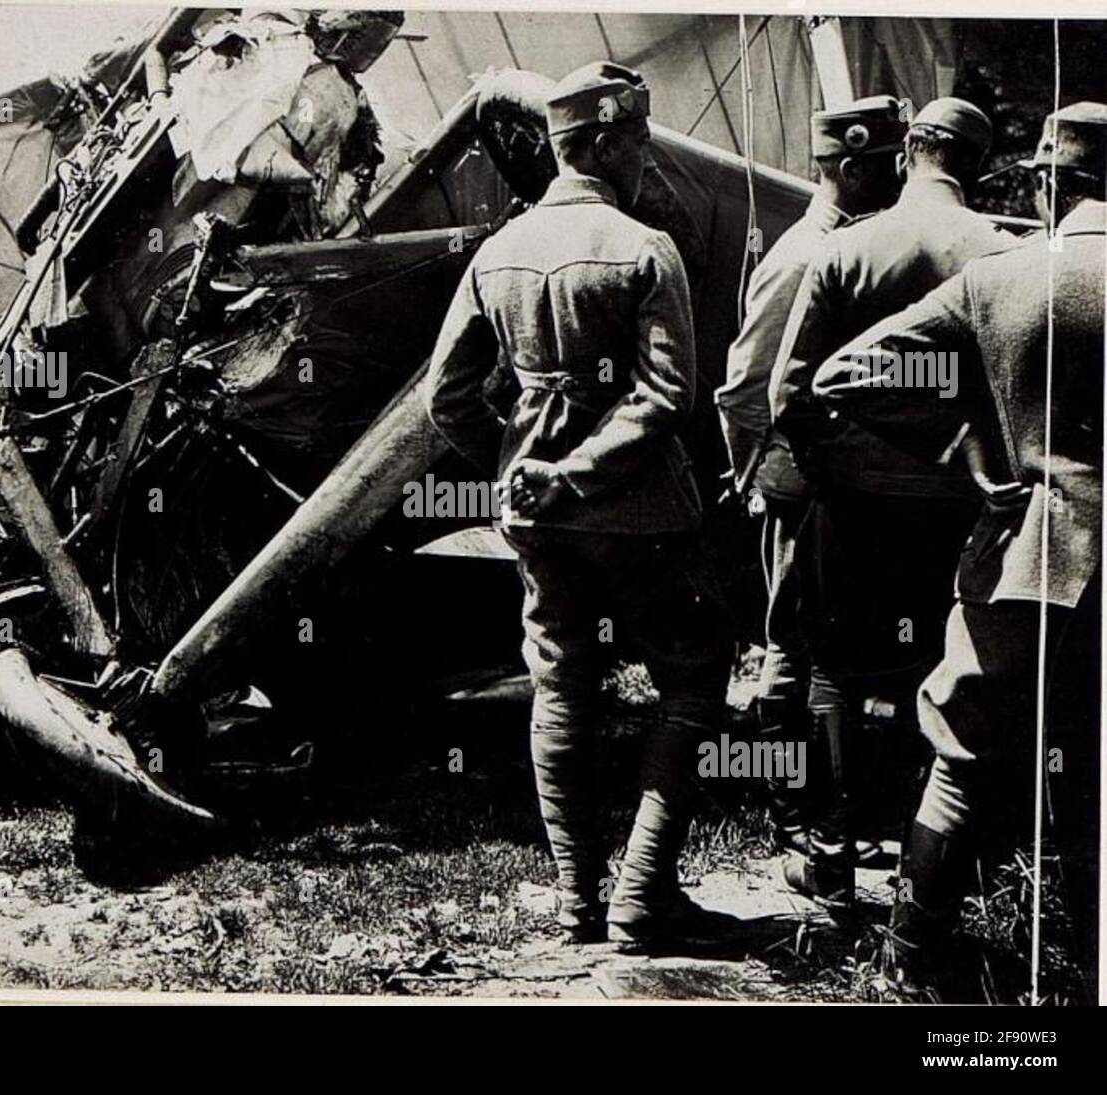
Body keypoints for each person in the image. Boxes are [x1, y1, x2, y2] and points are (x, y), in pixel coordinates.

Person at [425, 62, 733, 951]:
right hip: (642, 515)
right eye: (637, 139)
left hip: (540, 521)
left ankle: (575, 903)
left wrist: (519, 467)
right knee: (695, 673)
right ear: (600, 142)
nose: (646, 158)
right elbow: (669, 395)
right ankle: (641, 892)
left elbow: (446, 398)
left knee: (561, 685)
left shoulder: (497, 251)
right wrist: (582, 469)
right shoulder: (645, 247)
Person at [813, 102, 1106, 998]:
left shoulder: (1002, 277)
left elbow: (846, 375)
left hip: (1031, 557)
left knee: (964, 754)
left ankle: (909, 961)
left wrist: (967, 448)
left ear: (1049, 182)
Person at [768, 98, 1018, 906]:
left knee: (838, 675)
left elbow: (788, 390)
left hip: (853, 504)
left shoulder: (848, 249)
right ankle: (933, 864)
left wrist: (832, 462)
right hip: (958, 506)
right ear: (978, 164)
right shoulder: (1004, 252)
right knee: (942, 674)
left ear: (908, 148)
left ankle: (832, 859)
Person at [714, 96, 906, 856]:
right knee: (795, 645)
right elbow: (742, 387)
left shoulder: (849, 246)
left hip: (832, 481)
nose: (899, 178)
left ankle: (826, 806)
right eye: (890, 165)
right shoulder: (802, 257)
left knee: (827, 644)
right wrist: (758, 476)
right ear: (852, 168)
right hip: (804, 485)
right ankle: (797, 810)